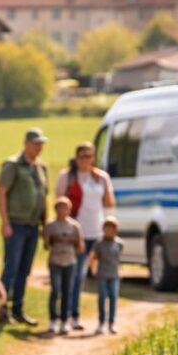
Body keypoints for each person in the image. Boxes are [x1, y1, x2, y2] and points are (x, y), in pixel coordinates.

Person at [54, 141, 115, 330]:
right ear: (77, 158)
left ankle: (102, 318)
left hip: (96, 232)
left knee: (96, 276)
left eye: (90, 156)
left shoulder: (101, 177)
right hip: (76, 233)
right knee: (76, 276)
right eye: (83, 156)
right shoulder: (67, 177)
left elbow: (109, 202)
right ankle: (72, 315)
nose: (86, 160)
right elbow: (58, 202)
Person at [0, 127, 49, 326]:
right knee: (11, 267)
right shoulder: (12, 165)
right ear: (26, 143)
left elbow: (44, 197)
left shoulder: (41, 168)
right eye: (36, 143)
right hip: (16, 225)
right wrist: (5, 222)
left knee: (25, 270)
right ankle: (3, 310)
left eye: (41, 144)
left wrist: (45, 225)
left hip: (33, 225)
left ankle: (18, 309)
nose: (39, 147)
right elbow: (1, 193)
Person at [43, 196, 84, 335]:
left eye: (65, 207)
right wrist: (54, 239)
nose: (62, 210)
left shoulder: (75, 226)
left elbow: (80, 247)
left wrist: (71, 240)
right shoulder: (50, 226)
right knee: (55, 290)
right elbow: (45, 245)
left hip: (70, 261)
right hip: (55, 260)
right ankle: (53, 319)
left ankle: (64, 320)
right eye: (60, 207)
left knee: (67, 291)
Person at [89, 216, 124, 334]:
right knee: (102, 297)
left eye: (111, 228)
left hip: (114, 275)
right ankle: (101, 322)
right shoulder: (99, 243)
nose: (109, 230)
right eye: (107, 227)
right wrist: (92, 269)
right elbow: (93, 257)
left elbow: (119, 259)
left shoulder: (119, 243)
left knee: (113, 298)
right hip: (102, 274)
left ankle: (112, 322)